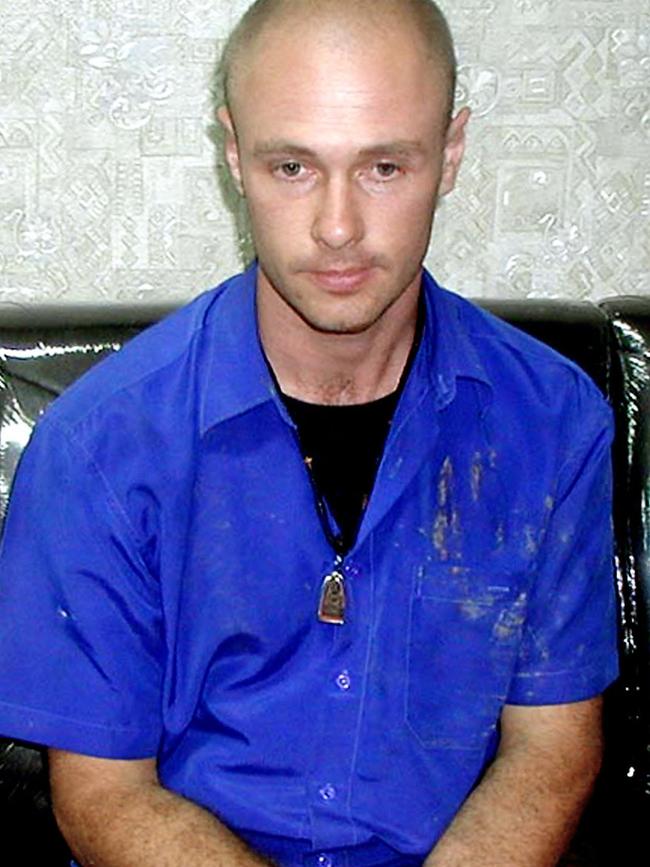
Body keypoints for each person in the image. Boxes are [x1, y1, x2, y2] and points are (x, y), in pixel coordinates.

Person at [0, 1, 618, 865]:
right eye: (292, 166)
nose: (337, 226)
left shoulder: (554, 422)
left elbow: (550, 751)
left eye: (385, 167)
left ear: (451, 154)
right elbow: (105, 798)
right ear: (232, 155)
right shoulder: (99, 447)